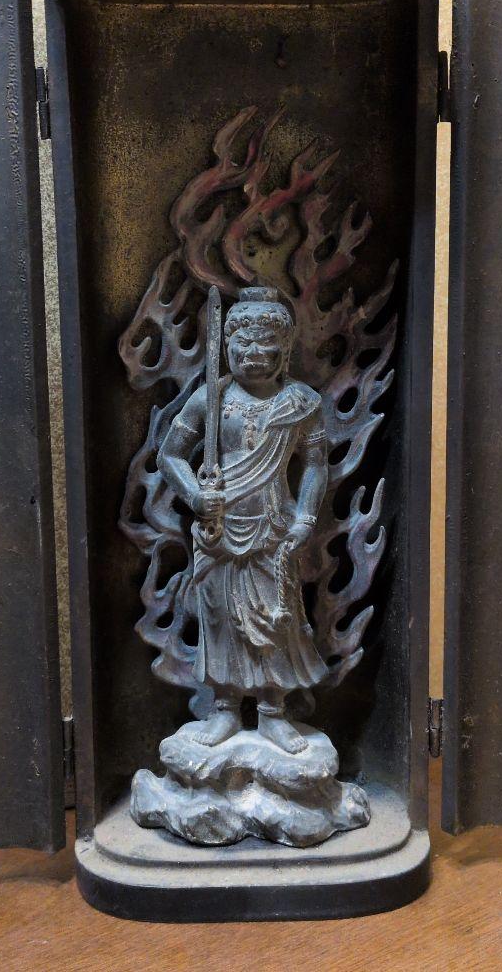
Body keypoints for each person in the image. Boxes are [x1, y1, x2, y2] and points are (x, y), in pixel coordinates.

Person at [157, 287, 329, 754]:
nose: (253, 353)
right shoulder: (211, 398)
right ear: (227, 346)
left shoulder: (300, 401)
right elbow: (171, 455)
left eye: (265, 343)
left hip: (273, 527)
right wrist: (196, 495)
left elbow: (316, 465)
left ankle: (273, 711)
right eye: (243, 343)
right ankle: (225, 708)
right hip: (218, 528)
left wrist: (304, 519)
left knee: (275, 620)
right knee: (221, 620)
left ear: (285, 348)